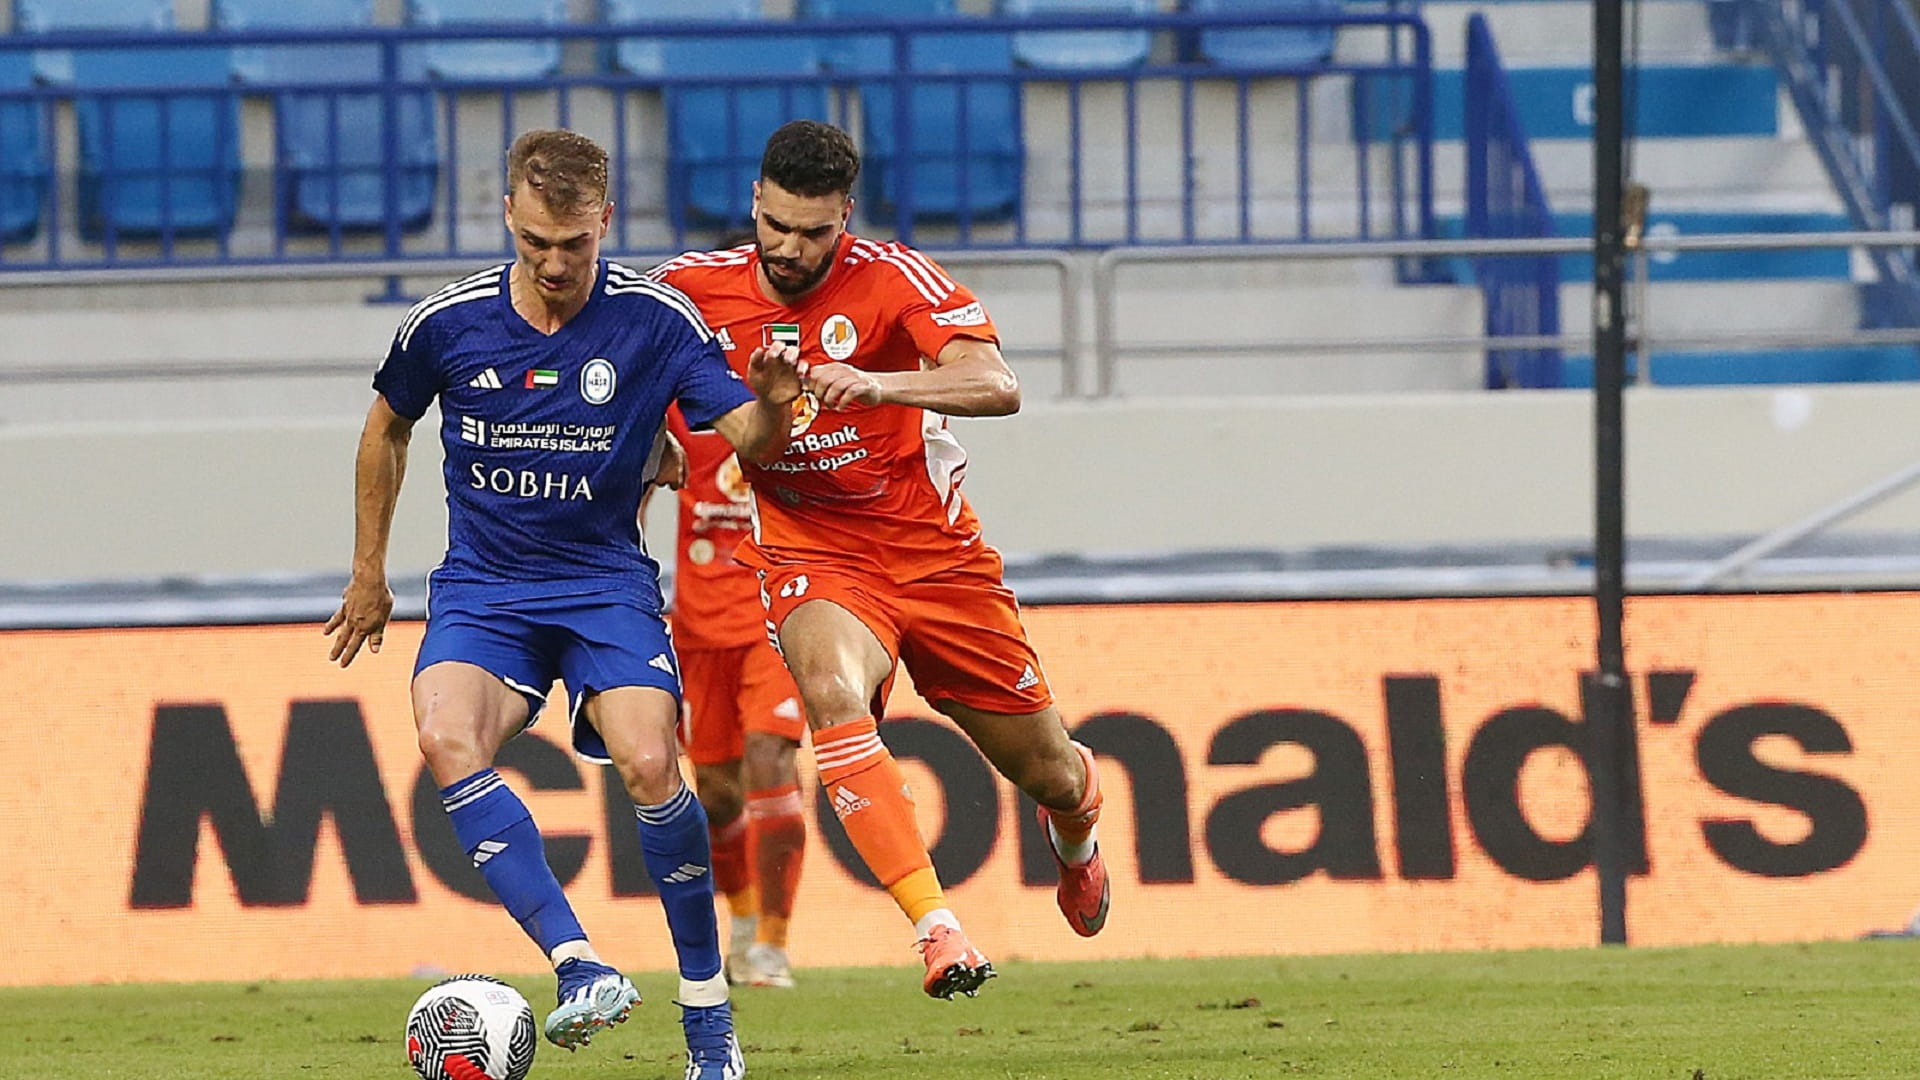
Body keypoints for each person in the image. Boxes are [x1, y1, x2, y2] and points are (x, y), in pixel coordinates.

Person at [325, 128, 801, 1080]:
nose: (554, 264)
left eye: (574, 245)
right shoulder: (445, 325)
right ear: (510, 214)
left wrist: (777, 406)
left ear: (605, 225)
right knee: (443, 736)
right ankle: (577, 960)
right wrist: (368, 572)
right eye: (537, 241)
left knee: (649, 759)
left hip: (603, 586)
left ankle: (710, 1020)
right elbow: (386, 428)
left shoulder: (656, 322)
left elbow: (748, 434)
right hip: (485, 589)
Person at [647, 119, 1111, 1001]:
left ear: (845, 218)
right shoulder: (689, 287)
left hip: (937, 563)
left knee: (1046, 768)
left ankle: (1078, 824)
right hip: (816, 556)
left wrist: (881, 381)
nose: (788, 248)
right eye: (774, 226)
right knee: (828, 693)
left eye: (813, 232)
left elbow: (997, 384)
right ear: (753, 202)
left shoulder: (893, 280)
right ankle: (937, 930)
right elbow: (613, 339)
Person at [647, 400, 810, 990]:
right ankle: (741, 926)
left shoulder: (789, 396)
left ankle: (772, 942)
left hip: (775, 618)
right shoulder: (682, 401)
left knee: (770, 759)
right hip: (697, 630)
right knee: (716, 794)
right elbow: (633, 470)